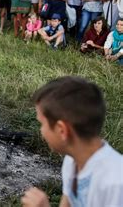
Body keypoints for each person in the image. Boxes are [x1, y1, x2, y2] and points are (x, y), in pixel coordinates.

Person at [22, 76, 123, 207]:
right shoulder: (73, 161)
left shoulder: (115, 184)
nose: (41, 131)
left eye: (42, 124)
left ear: (62, 130)